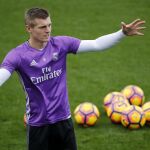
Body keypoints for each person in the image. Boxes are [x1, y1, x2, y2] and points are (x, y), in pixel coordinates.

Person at [0, 7, 145, 150]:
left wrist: (122, 33)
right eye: (42, 27)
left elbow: (96, 44)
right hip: (38, 124)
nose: (48, 30)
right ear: (29, 28)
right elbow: (3, 74)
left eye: (49, 25)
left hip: (63, 120)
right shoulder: (18, 55)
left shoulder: (61, 44)